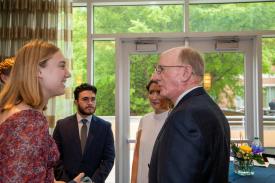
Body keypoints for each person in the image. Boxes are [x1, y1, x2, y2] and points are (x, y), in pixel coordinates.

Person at [0, 39, 84, 183]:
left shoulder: (17, 113)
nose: (68, 73)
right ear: (38, 71)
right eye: (62, 66)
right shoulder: (27, 122)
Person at [149, 47, 231, 183]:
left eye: (160, 69)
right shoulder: (207, 107)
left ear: (185, 73)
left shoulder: (185, 117)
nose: (154, 77)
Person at [53, 83, 115, 183]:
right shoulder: (61, 125)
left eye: (93, 99)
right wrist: (68, 181)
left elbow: (108, 159)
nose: (90, 102)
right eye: (85, 99)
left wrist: (94, 181)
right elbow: (55, 157)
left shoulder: (105, 127)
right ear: (76, 102)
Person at [131, 80, 172, 183]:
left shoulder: (173, 119)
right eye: (151, 92)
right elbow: (136, 156)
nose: (154, 97)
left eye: (158, 92)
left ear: (167, 94)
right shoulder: (144, 120)